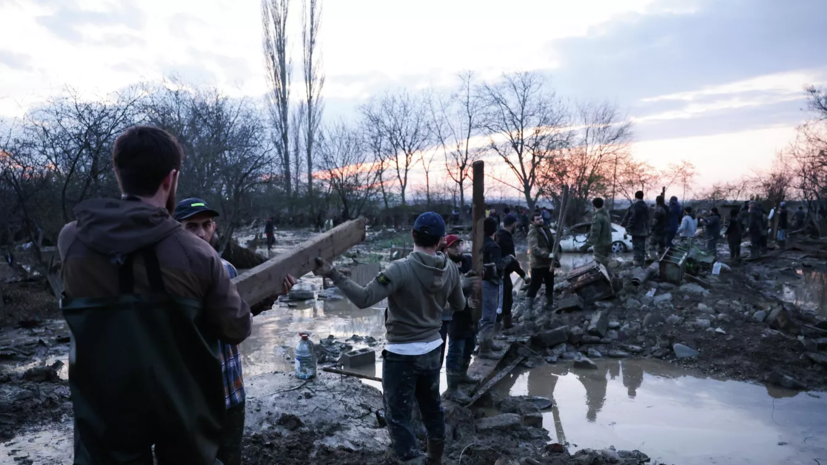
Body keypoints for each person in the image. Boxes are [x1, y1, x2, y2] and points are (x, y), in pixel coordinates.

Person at [58, 126, 253, 464]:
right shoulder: (198, 255)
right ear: (171, 179)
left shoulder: (71, 241)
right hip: (180, 414)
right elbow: (236, 329)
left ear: (119, 174)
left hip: (103, 414)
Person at [313, 212, 467, 465]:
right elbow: (459, 305)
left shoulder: (400, 269)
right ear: (441, 241)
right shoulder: (449, 268)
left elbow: (363, 299)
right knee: (432, 407)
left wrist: (334, 273)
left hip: (402, 356)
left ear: (412, 234)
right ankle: (435, 459)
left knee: (398, 417)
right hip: (432, 351)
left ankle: (412, 461)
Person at [174, 198, 296, 465]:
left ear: (214, 227)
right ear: (176, 230)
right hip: (191, 400)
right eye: (191, 226)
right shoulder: (166, 277)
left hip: (231, 392)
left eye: (206, 225)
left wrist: (272, 293)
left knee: (230, 458)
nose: (201, 234)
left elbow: (237, 315)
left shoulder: (227, 269)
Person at [441, 235, 479, 403]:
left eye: (459, 245)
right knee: (456, 348)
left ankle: (462, 375)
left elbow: (479, 273)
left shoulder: (468, 261)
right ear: (446, 250)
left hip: (471, 311)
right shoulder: (445, 266)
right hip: (454, 312)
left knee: (470, 343)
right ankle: (452, 387)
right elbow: (445, 292)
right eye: (453, 246)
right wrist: (463, 285)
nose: (457, 249)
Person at [480, 217, 512, 359]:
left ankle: (488, 342)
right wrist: (509, 258)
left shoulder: (480, 243)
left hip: (480, 282)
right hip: (490, 283)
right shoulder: (494, 246)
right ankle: (484, 349)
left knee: (487, 315)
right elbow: (497, 267)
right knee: (489, 317)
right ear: (495, 229)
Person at [497, 214, 528, 330]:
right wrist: (523, 274)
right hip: (503, 274)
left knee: (501, 299)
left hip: (499, 273)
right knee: (506, 299)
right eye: (516, 225)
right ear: (513, 224)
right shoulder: (506, 239)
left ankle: (500, 324)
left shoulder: (499, 235)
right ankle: (505, 325)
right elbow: (512, 260)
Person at [525, 212, 555, 318]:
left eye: (541, 218)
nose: (540, 220)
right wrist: (548, 255)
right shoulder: (532, 232)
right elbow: (534, 249)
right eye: (537, 219)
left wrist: (557, 248)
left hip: (548, 263)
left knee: (550, 283)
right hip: (538, 264)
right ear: (533, 221)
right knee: (534, 285)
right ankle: (528, 309)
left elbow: (552, 243)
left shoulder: (545, 229)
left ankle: (549, 304)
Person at [581, 197, 612, 268]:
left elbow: (595, 233)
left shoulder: (597, 217)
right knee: (605, 264)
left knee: (599, 265)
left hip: (600, 245)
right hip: (608, 243)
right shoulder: (606, 215)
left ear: (593, 205)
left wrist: (587, 245)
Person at [622, 191, 650, 266]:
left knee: (637, 247)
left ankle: (637, 264)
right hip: (644, 230)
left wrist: (627, 229)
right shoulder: (645, 206)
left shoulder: (635, 206)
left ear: (635, 197)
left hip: (637, 231)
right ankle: (642, 263)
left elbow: (632, 219)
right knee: (642, 247)